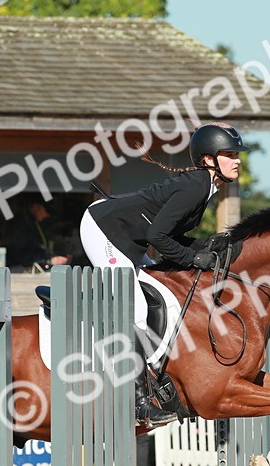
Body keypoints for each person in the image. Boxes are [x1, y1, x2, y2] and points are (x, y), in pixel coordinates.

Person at [79, 122, 247, 426]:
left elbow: (170, 235)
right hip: (103, 230)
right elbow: (157, 237)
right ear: (209, 159)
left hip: (128, 237)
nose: (237, 160)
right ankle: (139, 403)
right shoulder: (195, 188)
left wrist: (208, 246)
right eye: (230, 154)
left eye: (237, 154)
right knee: (136, 309)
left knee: (164, 298)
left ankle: (154, 376)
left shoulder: (204, 186)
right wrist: (194, 258)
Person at [3, 197, 54, 271]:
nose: (47, 215)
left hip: (31, 266)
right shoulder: (21, 223)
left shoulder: (34, 222)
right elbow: (20, 253)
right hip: (18, 269)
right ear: (35, 206)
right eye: (46, 210)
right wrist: (47, 260)